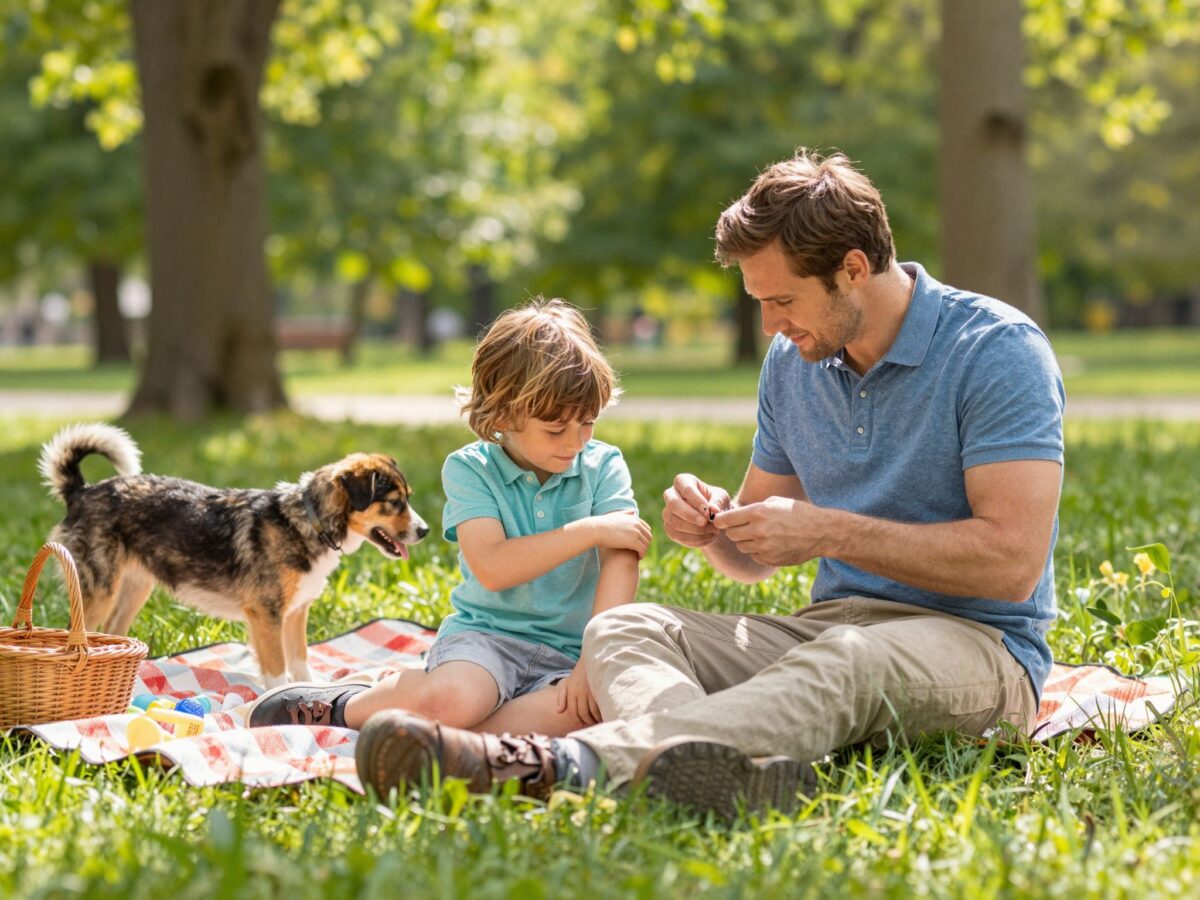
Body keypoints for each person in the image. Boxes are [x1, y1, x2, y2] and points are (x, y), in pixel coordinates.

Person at [352, 150, 1066, 819]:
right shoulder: (795, 364)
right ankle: (717, 767)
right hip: (832, 625)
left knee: (845, 661)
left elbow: (1010, 565)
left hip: (980, 647)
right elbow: (753, 557)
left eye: (782, 300)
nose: (770, 327)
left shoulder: (995, 351)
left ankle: (552, 764)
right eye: (759, 302)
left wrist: (825, 531)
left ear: (852, 268)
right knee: (626, 626)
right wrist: (717, 526)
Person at [249, 297, 652, 736]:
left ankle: (429, 728)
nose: (576, 442)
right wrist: (591, 530)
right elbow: (495, 568)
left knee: (583, 715)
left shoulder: (604, 464)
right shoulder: (469, 469)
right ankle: (346, 705)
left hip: (571, 652)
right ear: (503, 413)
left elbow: (621, 559)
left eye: (588, 423)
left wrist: (590, 661)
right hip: (486, 641)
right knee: (455, 700)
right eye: (555, 429)